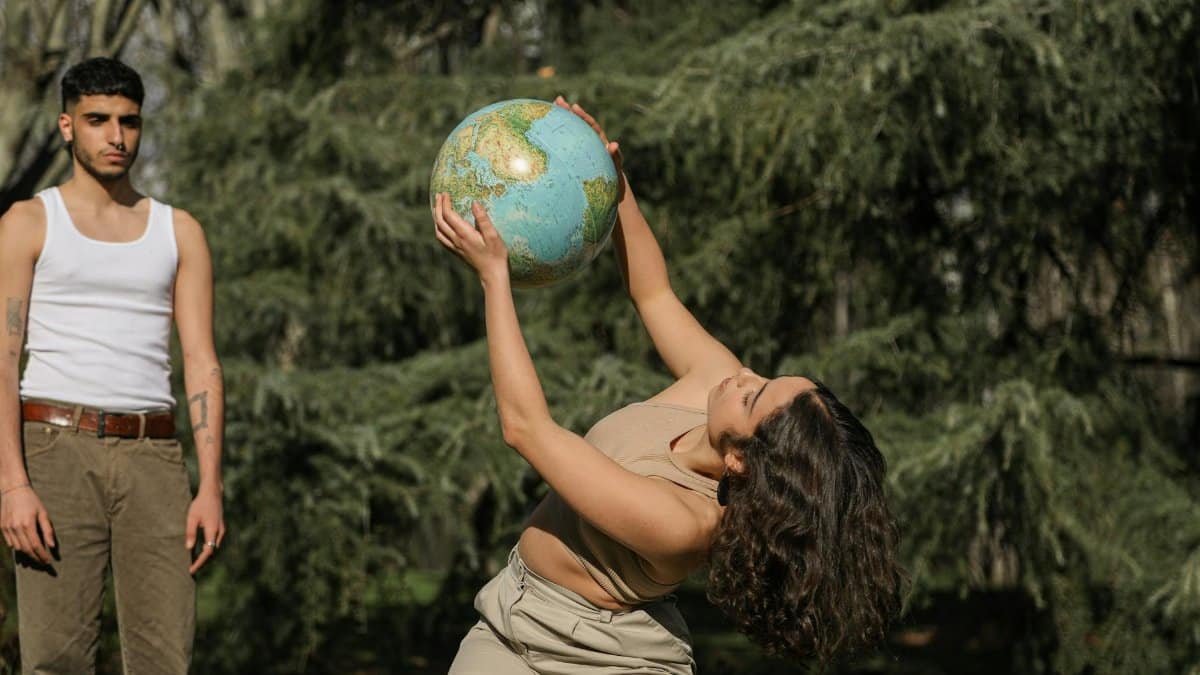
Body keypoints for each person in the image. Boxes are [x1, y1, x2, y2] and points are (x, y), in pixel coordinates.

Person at [433, 98, 904, 674]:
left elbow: (526, 428)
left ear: (739, 461)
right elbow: (653, 292)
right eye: (763, 377)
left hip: (603, 661)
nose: (743, 375)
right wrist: (610, 182)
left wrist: (494, 279)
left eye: (753, 396)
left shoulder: (685, 524)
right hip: (511, 620)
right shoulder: (712, 385)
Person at [0, 57, 226, 673]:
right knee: (54, 658)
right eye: (98, 120)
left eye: (128, 121)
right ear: (67, 125)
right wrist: (12, 483)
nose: (116, 136)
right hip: (53, 447)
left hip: (153, 455)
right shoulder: (27, 222)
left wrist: (210, 486)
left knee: (164, 657)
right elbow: (3, 356)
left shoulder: (179, 232)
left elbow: (202, 363)